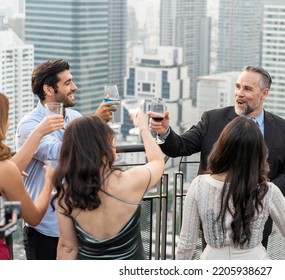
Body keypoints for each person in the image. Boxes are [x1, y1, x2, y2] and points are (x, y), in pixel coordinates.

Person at [150, 65, 285, 248]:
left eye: (247, 89)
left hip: (256, 226)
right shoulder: (213, 119)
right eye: (237, 87)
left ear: (264, 93)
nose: (239, 93)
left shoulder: (282, 128)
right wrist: (165, 132)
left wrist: (263, 194)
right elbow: (180, 146)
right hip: (214, 225)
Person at [15, 59, 119, 260]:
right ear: (48, 89)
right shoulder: (29, 125)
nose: (75, 87)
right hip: (45, 228)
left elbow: (91, 158)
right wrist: (93, 123)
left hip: (79, 223)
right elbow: (60, 154)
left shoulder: (74, 117)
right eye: (67, 83)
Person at [176, 117, 285, 260]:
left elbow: (186, 244)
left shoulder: (199, 185)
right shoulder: (268, 190)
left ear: (221, 147)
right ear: (258, 154)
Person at [53, 114, 164, 260]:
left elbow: (68, 247)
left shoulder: (67, 195)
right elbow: (157, 161)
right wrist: (143, 128)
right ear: (106, 145)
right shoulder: (133, 180)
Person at [0, 92, 63, 260]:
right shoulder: (5, 170)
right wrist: (49, 181)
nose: (10, 122)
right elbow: (34, 218)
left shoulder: (7, 170)